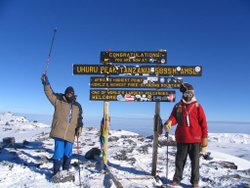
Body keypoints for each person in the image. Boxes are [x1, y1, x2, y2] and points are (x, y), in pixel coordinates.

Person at [164, 83, 208, 188]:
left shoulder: (198, 106)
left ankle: (195, 181)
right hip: (182, 138)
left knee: (195, 162)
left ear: (193, 94)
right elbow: (174, 118)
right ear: (183, 94)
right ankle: (177, 179)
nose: (188, 95)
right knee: (179, 161)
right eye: (186, 93)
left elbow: (204, 124)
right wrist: (169, 122)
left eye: (190, 93)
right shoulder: (178, 106)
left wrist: (204, 141)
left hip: (195, 139)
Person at [41, 73, 83, 175]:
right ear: (65, 93)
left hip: (70, 133)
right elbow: (49, 93)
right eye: (68, 92)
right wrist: (46, 83)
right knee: (58, 152)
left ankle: (65, 170)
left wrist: (80, 127)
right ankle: (56, 172)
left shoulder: (77, 106)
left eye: (71, 92)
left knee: (68, 153)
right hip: (59, 132)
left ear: (73, 94)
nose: (69, 94)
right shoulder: (58, 101)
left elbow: (79, 118)